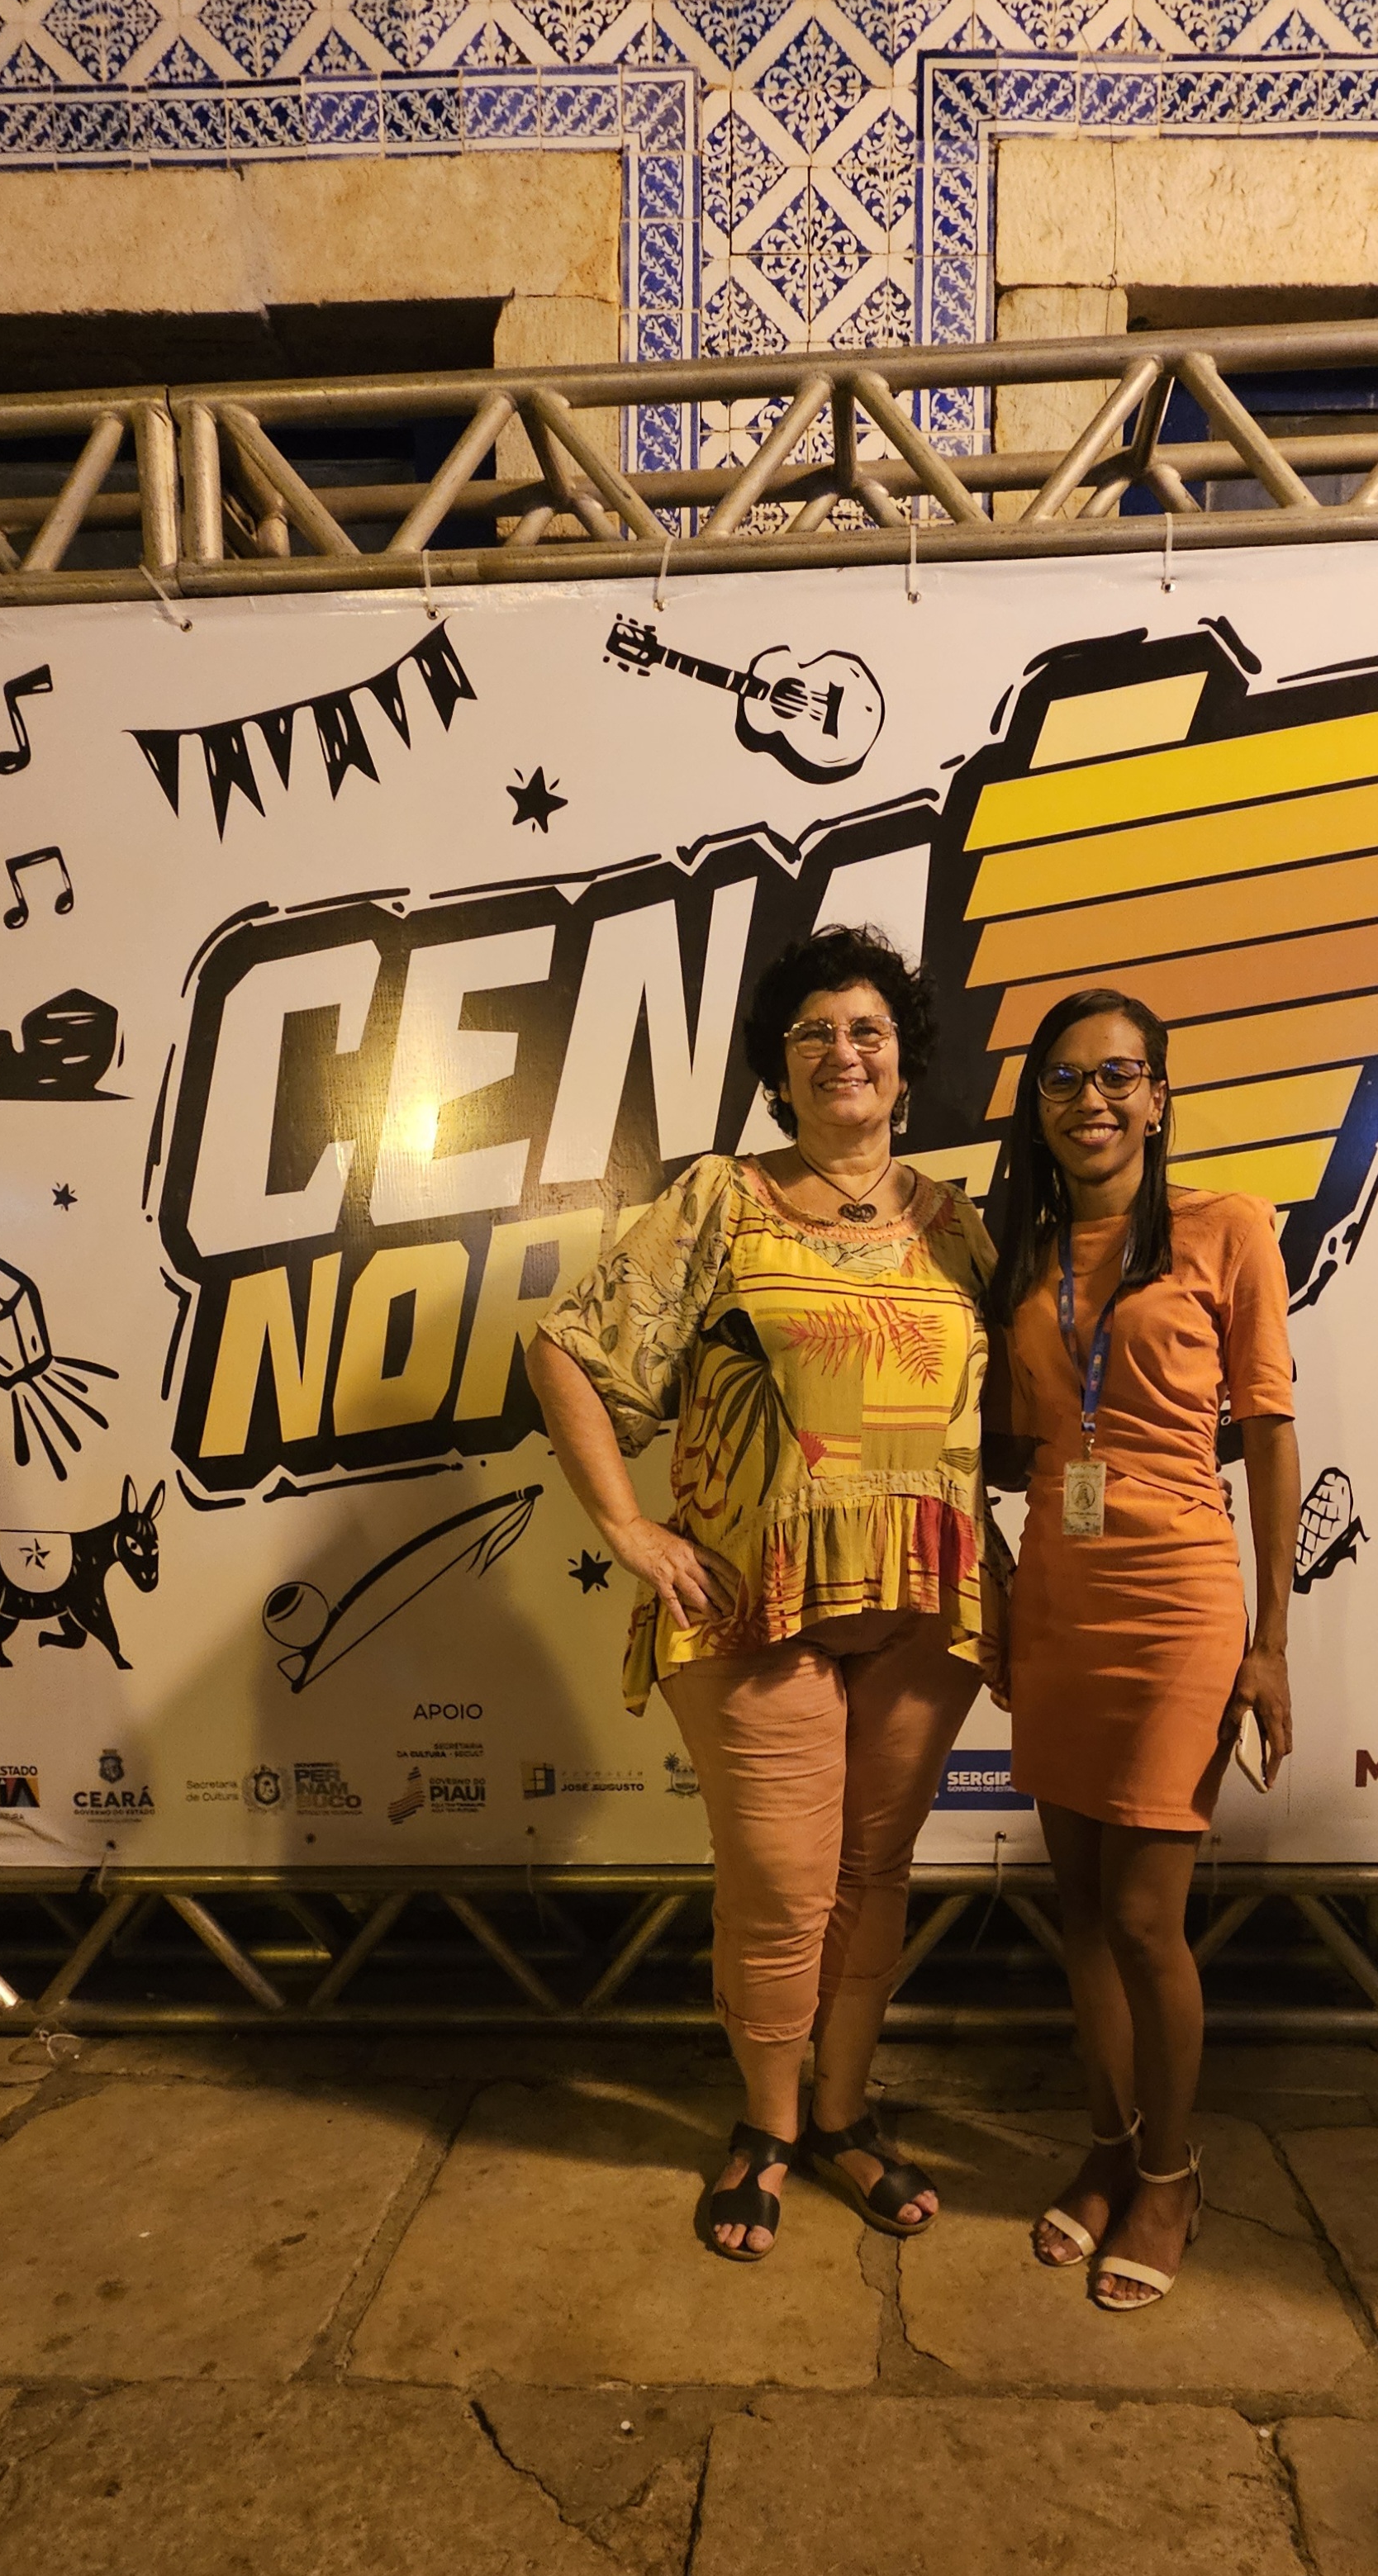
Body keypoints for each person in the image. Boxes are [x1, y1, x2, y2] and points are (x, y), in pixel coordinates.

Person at [528, 925, 1005, 2262]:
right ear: (781, 1070)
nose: (844, 1052)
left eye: (868, 1031)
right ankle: (768, 2124)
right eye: (815, 1034)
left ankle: (843, 2116)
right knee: (783, 1888)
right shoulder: (720, 1200)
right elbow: (570, 1354)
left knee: (873, 1877)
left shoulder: (958, 1223)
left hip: (927, 1602)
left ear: (903, 1063)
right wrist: (627, 1526)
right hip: (753, 1598)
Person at [983, 986, 1298, 2311]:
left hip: (1177, 1599)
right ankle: (1108, 2148)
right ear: (1038, 1107)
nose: (1093, 1100)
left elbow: (1269, 1435)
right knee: (1076, 1909)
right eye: (1064, 1079)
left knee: (1141, 1916)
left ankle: (1170, 2174)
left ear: (1159, 1098)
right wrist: (992, 1578)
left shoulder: (1229, 1229)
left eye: (1119, 1075)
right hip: (1059, 1595)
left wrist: (1272, 1643)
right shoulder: (1020, 1250)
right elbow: (987, 1450)